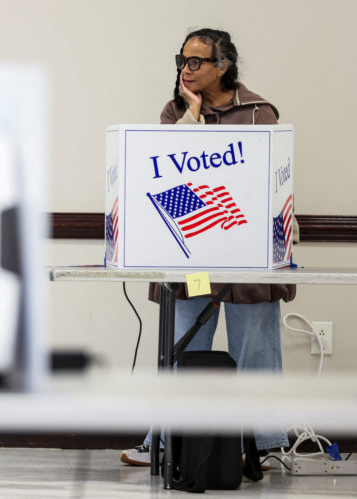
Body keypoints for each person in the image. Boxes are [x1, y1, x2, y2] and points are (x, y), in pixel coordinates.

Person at [120, 28, 296, 467]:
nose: (186, 69)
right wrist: (192, 117)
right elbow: (168, 177)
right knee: (181, 345)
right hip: (193, 259)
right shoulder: (174, 111)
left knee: (253, 349)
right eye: (182, 60)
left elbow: (271, 183)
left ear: (225, 65)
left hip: (248, 258)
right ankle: (164, 441)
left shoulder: (259, 113)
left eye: (196, 61)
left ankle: (262, 445)